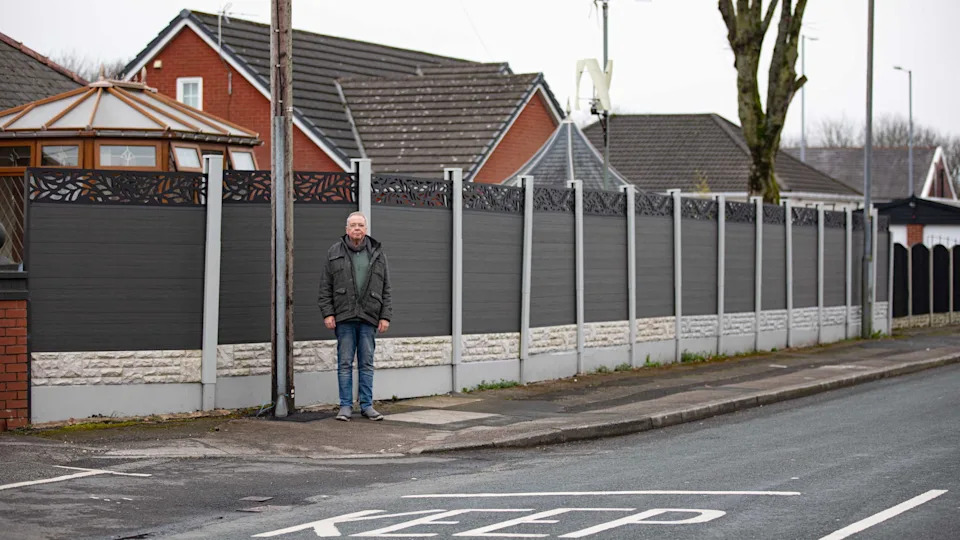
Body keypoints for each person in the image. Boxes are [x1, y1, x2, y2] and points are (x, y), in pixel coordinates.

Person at [318, 211, 392, 421]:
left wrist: (385, 316)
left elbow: (386, 287)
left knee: (366, 364)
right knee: (344, 363)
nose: (357, 229)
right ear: (347, 229)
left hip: (369, 317)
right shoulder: (334, 252)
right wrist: (328, 313)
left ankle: (367, 406)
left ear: (366, 229)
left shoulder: (377, 253)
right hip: (344, 317)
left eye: (360, 225)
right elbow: (325, 286)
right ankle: (345, 407)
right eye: (353, 225)